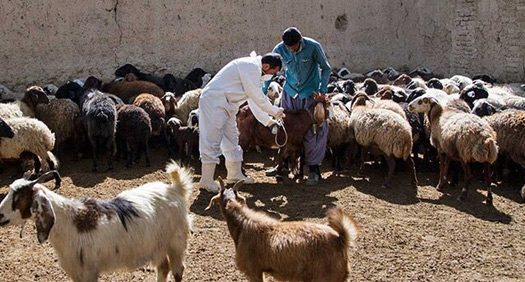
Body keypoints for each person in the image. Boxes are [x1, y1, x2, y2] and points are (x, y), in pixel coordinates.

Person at [198, 52, 285, 192]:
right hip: (214, 102)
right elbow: (256, 96)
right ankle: (206, 180)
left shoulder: (254, 72)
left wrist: (269, 121)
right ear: (266, 65)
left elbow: (254, 101)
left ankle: (234, 175)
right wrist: (274, 111)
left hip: (227, 105)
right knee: (211, 139)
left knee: (232, 138)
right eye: (273, 72)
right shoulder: (250, 67)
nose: (272, 76)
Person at [267, 27, 332, 186]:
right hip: (290, 93)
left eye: (294, 46)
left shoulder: (313, 47)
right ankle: (284, 163)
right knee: (285, 126)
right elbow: (270, 72)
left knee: (313, 129)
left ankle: (314, 169)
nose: (291, 50)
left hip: (310, 94)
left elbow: (326, 68)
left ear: (300, 40)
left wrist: (322, 91)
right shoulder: (279, 49)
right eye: (288, 47)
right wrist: (262, 91)